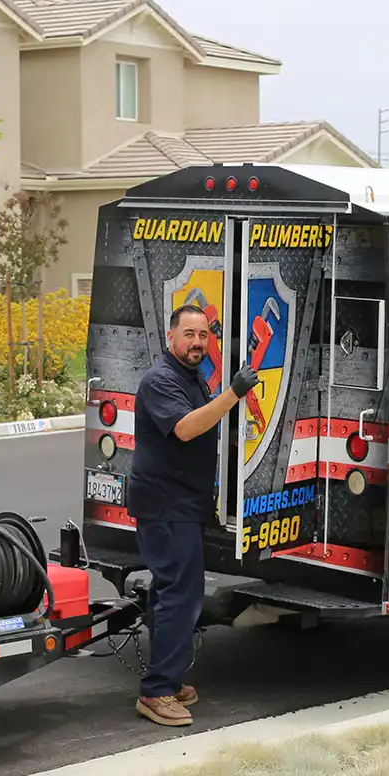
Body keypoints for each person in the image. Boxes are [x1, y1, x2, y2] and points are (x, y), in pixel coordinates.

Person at [127, 302, 259, 727]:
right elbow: (185, 428)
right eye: (189, 335)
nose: (198, 342)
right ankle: (157, 692)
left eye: (204, 335)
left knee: (171, 594)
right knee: (181, 596)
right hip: (165, 506)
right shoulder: (160, 381)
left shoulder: (191, 377)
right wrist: (234, 393)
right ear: (171, 337)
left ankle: (168, 676)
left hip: (182, 504)